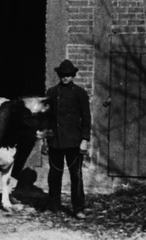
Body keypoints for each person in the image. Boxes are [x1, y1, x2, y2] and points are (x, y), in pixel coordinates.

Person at [44, 59, 91, 219]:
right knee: (54, 175)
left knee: (76, 176)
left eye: (68, 75)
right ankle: (53, 206)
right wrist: (45, 139)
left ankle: (78, 208)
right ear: (59, 75)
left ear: (73, 76)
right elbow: (46, 118)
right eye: (63, 75)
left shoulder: (80, 93)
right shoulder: (51, 93)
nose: (65, 77)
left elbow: (86, 117)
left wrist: (85, 139)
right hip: (55, 141)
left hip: (74, 142)